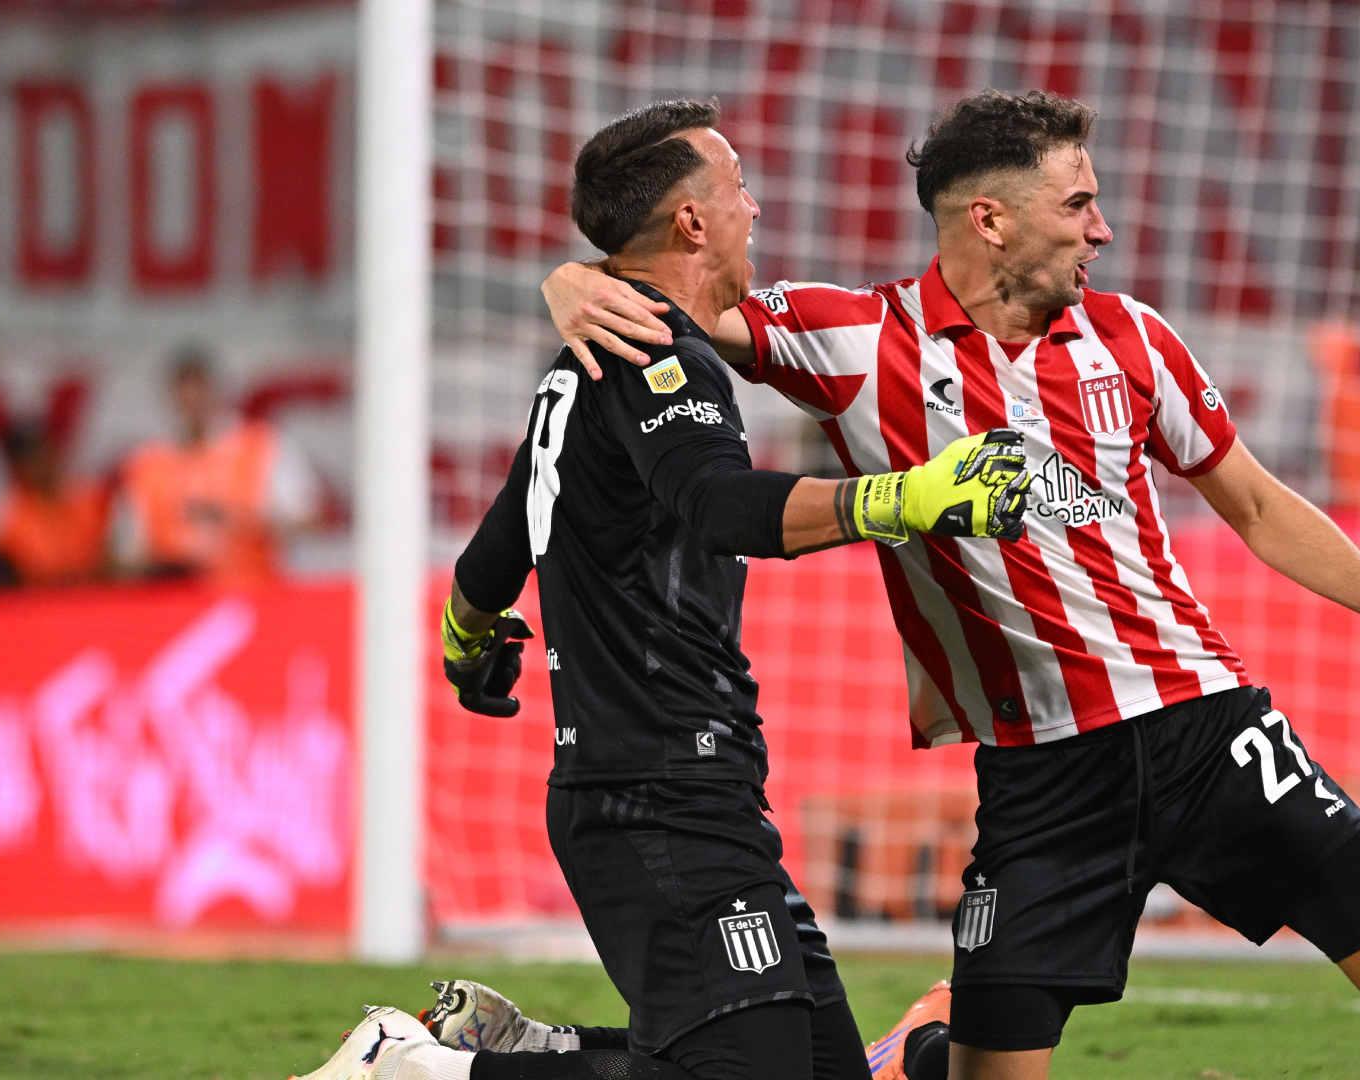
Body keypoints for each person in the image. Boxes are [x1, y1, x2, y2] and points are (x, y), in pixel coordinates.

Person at [537, 90, 1360, 1080]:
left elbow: (1254, 503)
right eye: (1077, 204)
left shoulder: (1136, 342)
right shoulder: (849, 342)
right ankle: (921, 1051)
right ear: (991, 219)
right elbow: (669, 296)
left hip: (1209, 731)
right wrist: (568, 280)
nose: (1101, 230)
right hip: (1042, 779)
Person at [290, 99, 1027, 1080]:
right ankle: (416, 1071)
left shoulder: (586, 356)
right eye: (736, 189)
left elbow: (500, 544)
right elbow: (719, 505)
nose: (753, 208)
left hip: (680, 784)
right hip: (655, 789)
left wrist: (467, 636)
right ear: (690, 221)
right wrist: (912, 497)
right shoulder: (653, 351)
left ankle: (522, 1050)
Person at [114, 350, 318, 584]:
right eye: (184, 394)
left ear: (217, 391)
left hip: (252, 592)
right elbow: (125, 553)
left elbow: (308, 520)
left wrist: (238, 519)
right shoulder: (146, 464)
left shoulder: (261, 446)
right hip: (171, 597)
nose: (192, 402)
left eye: (199, 391)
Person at [0, 420, 109, 584]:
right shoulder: (8, 522)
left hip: (95, 595)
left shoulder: (90, 500)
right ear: (19, 468)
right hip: (39, 598)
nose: (43, 464)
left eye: (45, 454)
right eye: (33, 459)